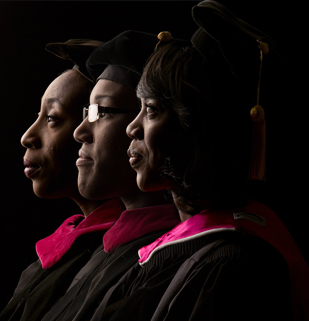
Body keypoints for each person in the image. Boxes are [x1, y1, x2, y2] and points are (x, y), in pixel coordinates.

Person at [91, 2, 309, 320]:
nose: (131, 127)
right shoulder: (188, 247)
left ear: (200, 129)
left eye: (150, 109)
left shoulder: (234, 261)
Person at [40, 30, 180, 321]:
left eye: (100, 112)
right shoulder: (101, 252)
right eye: (85, 112)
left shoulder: (167, 261)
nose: (79, 132)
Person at [0, 39, 129, 321]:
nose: (27, 137)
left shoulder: (128, 258)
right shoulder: (68, 246)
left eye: (53, 118)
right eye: (39, 116)